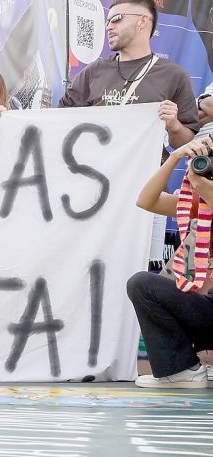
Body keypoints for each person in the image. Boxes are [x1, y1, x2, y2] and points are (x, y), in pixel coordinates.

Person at [128, 135, 213, 388]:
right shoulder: (201, 204)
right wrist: (177, 156)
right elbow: (146, 200)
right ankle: (181, 371)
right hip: (207, 310)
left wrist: (202, 186)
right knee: (142, 285)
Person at [58, 0, 198, 148]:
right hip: (95, 168)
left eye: (116, 19)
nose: (109, 27)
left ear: (142, 21)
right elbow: (59, 120)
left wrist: (174, 125)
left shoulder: (175, 75)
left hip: (148, 170)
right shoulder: (94, 71)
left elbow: (184, 143)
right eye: (107, 22)